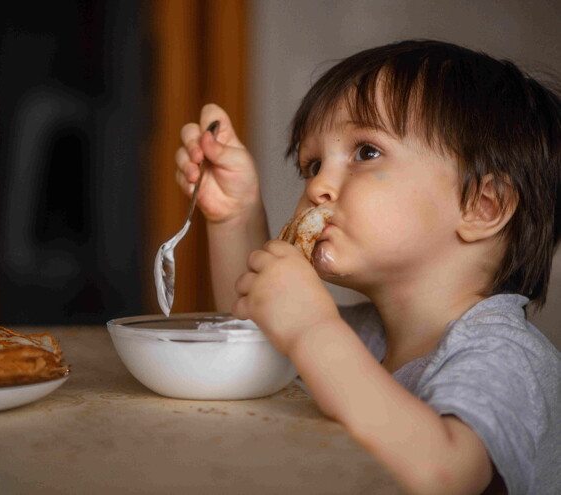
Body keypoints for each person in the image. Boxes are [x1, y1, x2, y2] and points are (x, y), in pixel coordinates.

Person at [174, 39, 560, 495]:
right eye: (312, 164)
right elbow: (255, 339)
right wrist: (234, 216)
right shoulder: (364, 336)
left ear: (482, 205)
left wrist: (312, 329)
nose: (317, 184)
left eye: (366, 152)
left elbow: (445, 473)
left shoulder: (506, 356)